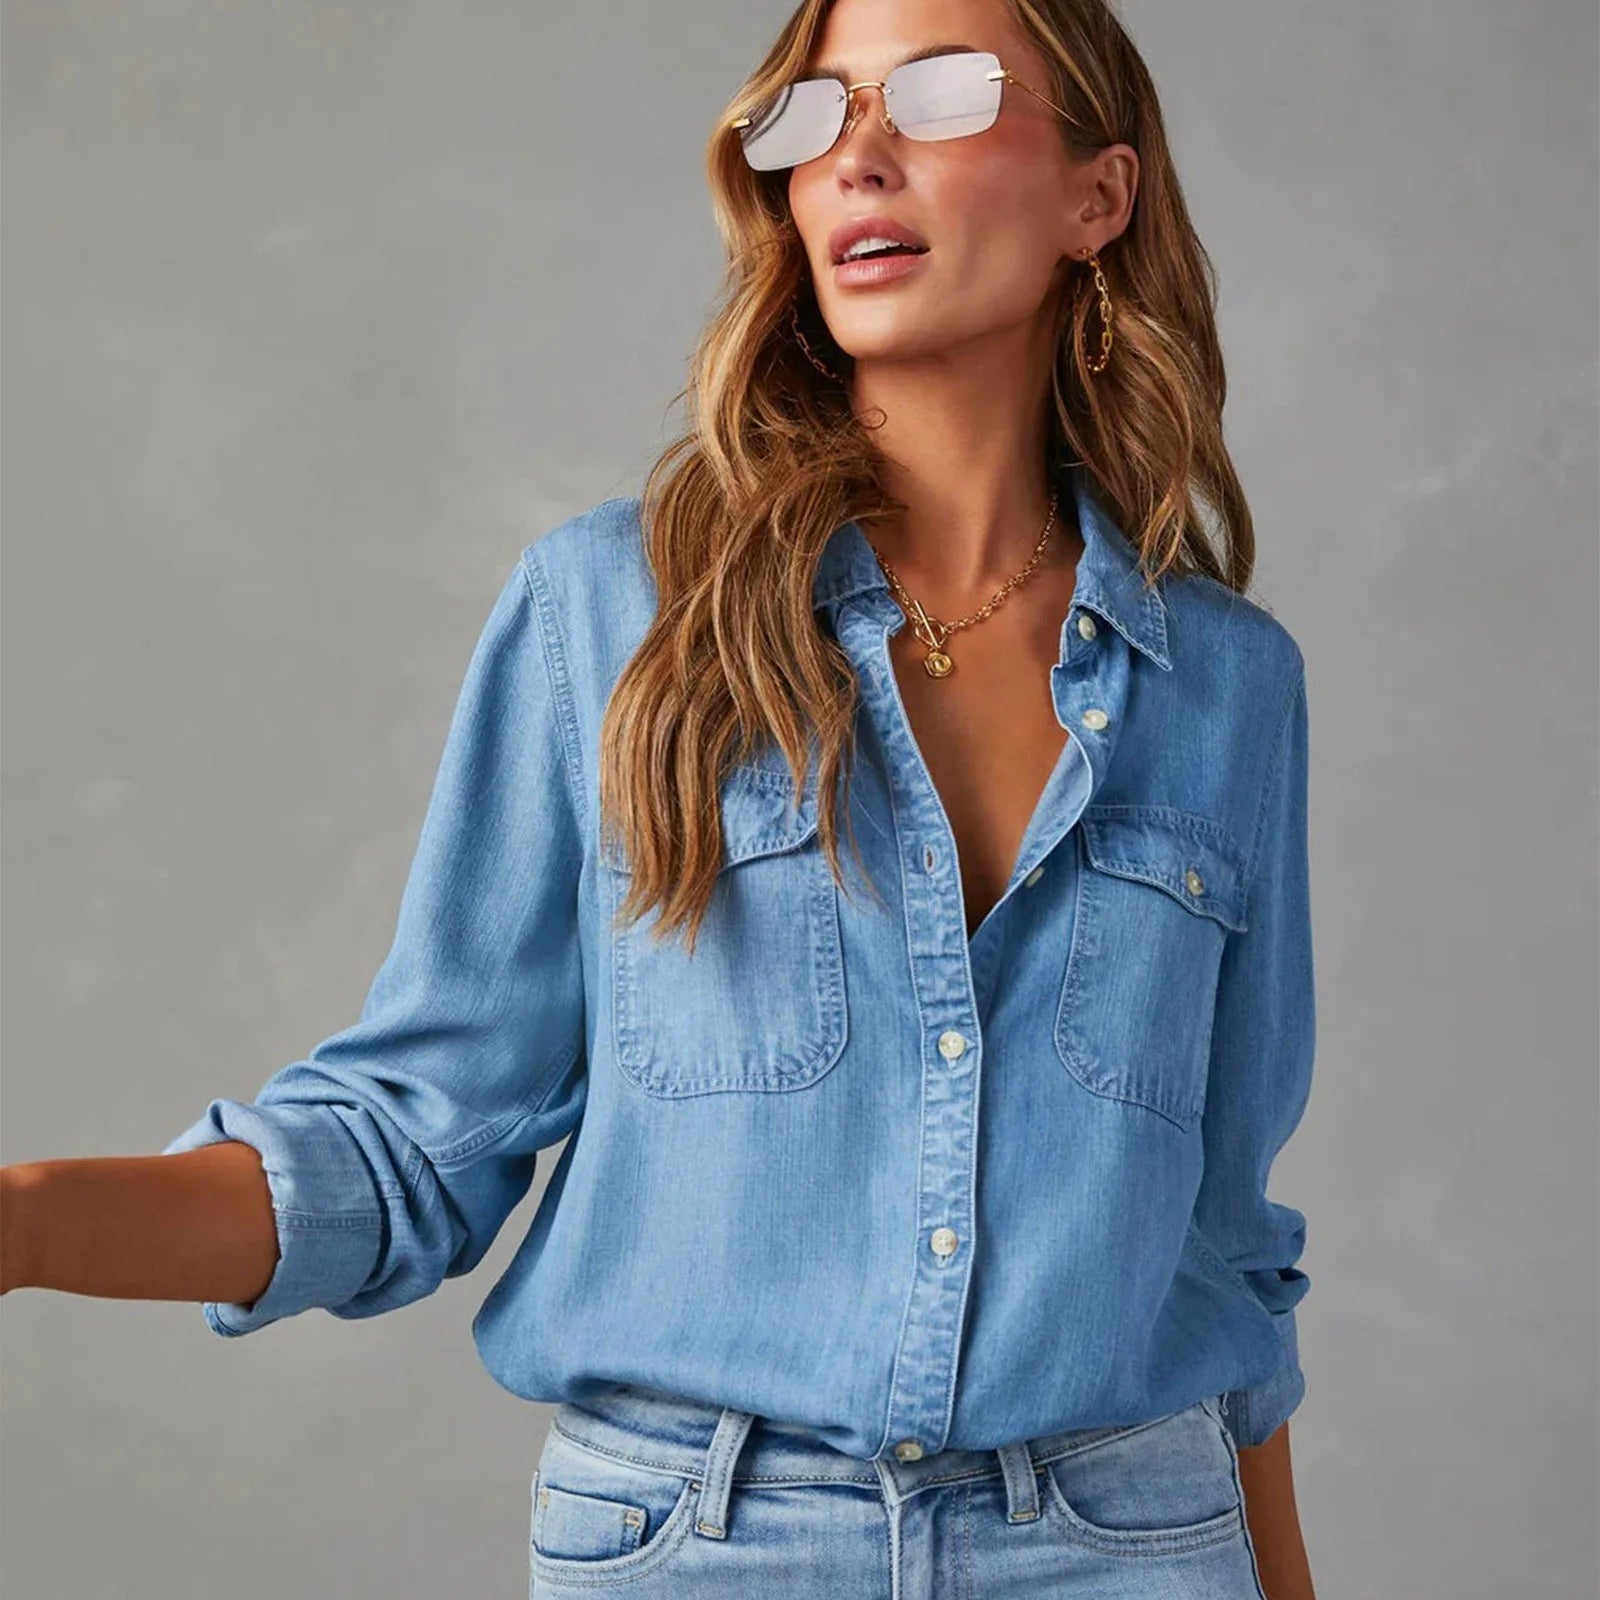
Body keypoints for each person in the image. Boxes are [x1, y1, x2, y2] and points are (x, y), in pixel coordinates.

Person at [0, 1, 1321, 1594]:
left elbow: (1222, 1247)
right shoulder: (610, 618)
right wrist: (27, 1220)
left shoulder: (1226, 686)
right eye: (815, 117)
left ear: (1098, 197)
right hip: (701, 1546)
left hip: (1132, 1541)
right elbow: (415, 1140)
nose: (858, 158)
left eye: (938, 96)